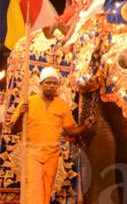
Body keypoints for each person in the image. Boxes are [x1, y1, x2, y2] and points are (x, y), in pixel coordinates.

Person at [7, 67, 95, 204]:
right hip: (32, 152)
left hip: (52, 153)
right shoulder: (28, 102)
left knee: (47, 190)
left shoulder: (62, 106)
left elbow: (70, 130)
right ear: (40, 84)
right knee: (34, 189)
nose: (52, 86)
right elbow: (14, 130)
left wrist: (85, 126)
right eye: (48, 82)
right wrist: (21, 115)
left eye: (55, 83)